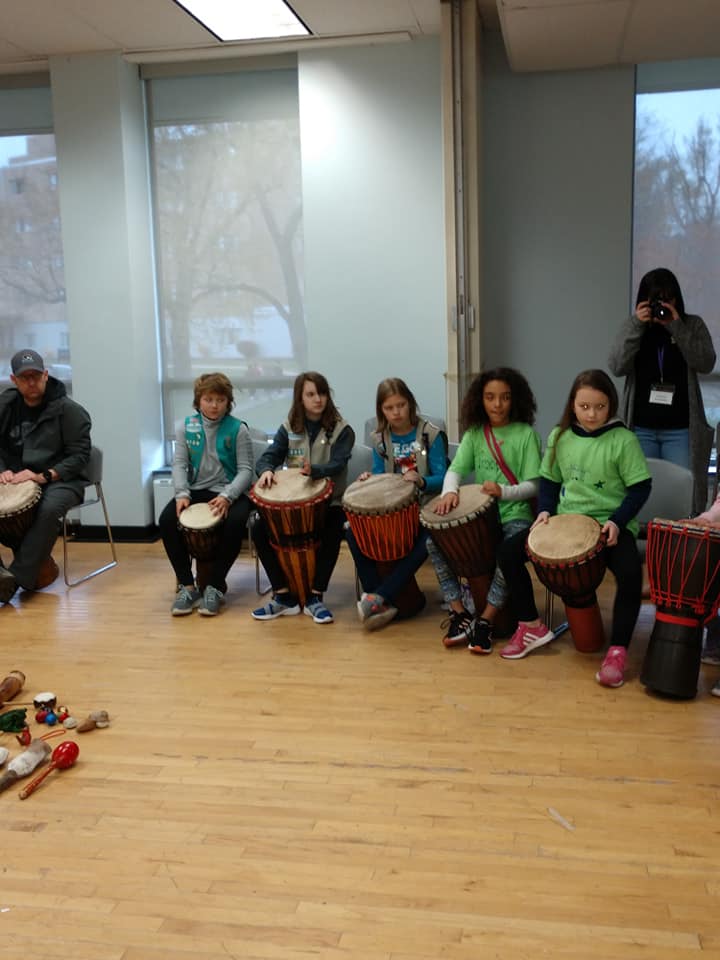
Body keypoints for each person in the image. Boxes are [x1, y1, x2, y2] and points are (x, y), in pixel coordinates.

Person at [496, 369, 651, 688]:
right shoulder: (560, 436)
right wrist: (544, 511)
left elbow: (640, 488)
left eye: (600, 406)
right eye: (584, 406)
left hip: (609, 525)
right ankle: (531, 625)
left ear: (611, 405)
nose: (592, 414)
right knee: (509, 552)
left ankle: (618, 651)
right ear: (572, 405)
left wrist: (617, 521)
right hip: (566, 522)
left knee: (631, 574)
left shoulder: (623, 440)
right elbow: (550, 481)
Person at [428, 367, 541, 654]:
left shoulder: (526, 434)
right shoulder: (475, 434)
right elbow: (455, 470)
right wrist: (450, 491)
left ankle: (486, 620)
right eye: (490, 397)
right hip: (482, 518)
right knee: (433, 542)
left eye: (505, 397)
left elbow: (534, 485)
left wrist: (504, 492)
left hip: (516, 515)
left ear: (515, 399)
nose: (497, 404)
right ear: (480, 399)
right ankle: (459, 613)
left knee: (506, 551)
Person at [608, 267, 715, 516]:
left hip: (681, 429)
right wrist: (637, 324)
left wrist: (677, 326)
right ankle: (643, 538)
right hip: (640, 428)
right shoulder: (635, 327)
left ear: (677, 299)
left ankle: (678, 539)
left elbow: (706, 362)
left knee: (682, 495)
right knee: (641, 494)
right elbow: (616, 365)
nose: (662, 306)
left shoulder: (692, 325)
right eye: (655, 300)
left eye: (668, 299)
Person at [251, 371, 354, 624]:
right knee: (259, 527)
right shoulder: (289, 427)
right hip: (294, 504)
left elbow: (339, 463)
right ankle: (283, 596)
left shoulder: (342, 429)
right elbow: (269, 457)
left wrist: (315, 470)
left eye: (322, 393)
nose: (318, 399)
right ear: (300, 398)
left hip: (330, 501)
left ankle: (315, 597)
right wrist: (266, 470)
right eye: (311, 394)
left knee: (333, 528)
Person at [346, 377, 446, 631]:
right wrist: (370, 479)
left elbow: (444, 477)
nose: (396, 412)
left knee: (428, 539)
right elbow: (381, 475)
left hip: (425, 507)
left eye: (401, 405)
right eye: (389, 408)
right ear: (381, 410)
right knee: (353, 533)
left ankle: (380, 597)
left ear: (410, 403)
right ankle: (376, 596)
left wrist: (422, 480)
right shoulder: (380, 439)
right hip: (394, 511)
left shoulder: (430, 434)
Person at [0, 348, 91, 602]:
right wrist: (2, 470)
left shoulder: (69, 411)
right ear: (14, 380)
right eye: (24, 377)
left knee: (48, 509)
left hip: (60, 480)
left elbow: (80, 456)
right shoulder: (5, 406)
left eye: (36, 376)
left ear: (46, 375)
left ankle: (14, 580)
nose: (31, 382)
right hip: (14, 478)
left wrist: (42, 476)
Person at [159, 372, 253, 617]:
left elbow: (246, 470)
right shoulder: (185, 427)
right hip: (196, 490)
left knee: (235, 522)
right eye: (208, 399)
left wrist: (228, 496)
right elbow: (179, 464)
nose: (214, 405)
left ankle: (215, 587)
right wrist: (182, 493)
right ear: (198, 401)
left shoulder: (238, 429)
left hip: (230, 491)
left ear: (228, 402)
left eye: (220, 400)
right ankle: (187, 586)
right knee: (167, 520)